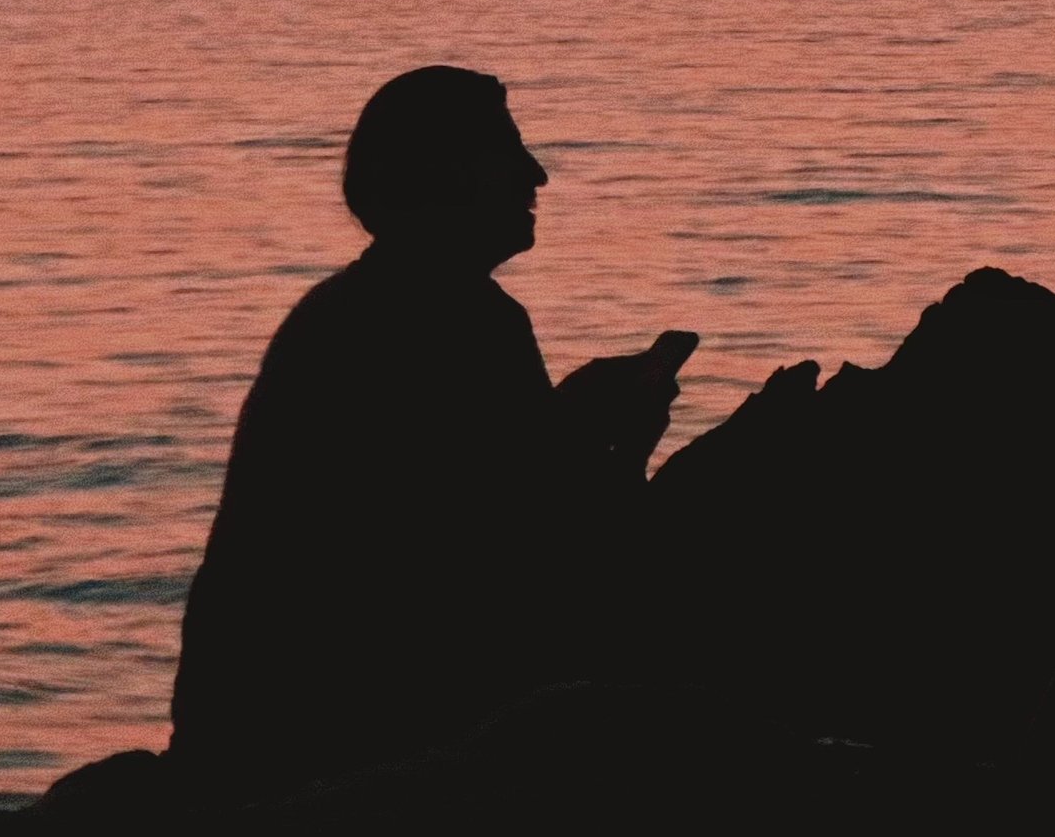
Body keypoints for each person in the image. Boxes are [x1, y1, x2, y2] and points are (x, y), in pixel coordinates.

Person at [169, 67, 688, 798]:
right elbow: (519, 558)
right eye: (508, 151)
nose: (536, 172)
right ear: (443, 175)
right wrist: (615, 444)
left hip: (257, 727)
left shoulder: (357, 309)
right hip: (340, 742)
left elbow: (472, 503)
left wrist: (569, 427)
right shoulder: (456, 320)